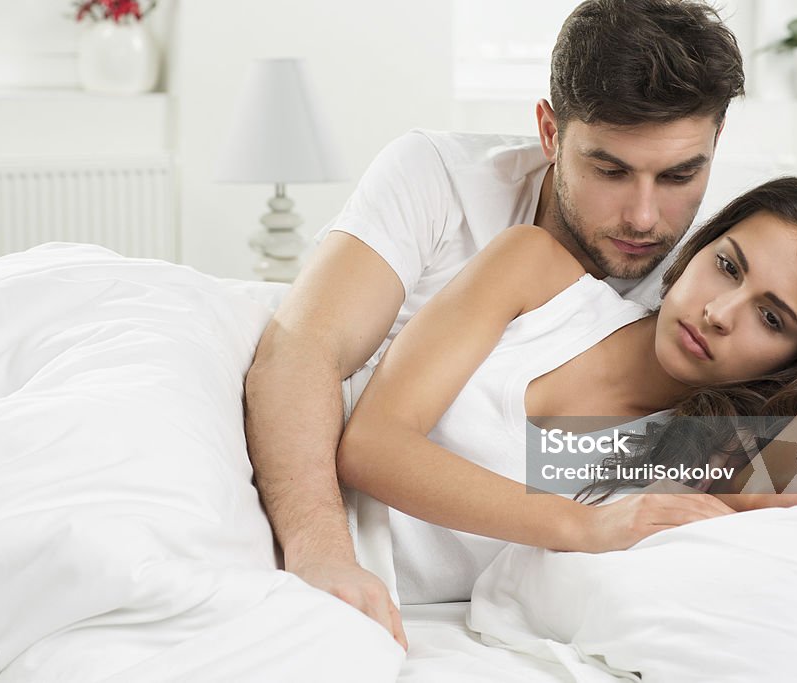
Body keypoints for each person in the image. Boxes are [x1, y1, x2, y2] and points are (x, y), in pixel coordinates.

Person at [244, 0, 744, 646]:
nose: (645, 217)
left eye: (680, 173)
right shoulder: (440, 180)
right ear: (550, 131)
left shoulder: (705, 293)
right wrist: (321, 549)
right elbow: (301, 346)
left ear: (715, 145)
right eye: (610, 170)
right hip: (277, 468)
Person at [336, 176, 797, 604]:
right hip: (288, 511)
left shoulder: (706, 451)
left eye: (772, 319)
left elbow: (786, 500)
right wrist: (584, 526)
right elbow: (370, 446)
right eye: (727, 266)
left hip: (350, 596)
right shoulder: (535, 275)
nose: (717, 312)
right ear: (697, 248)